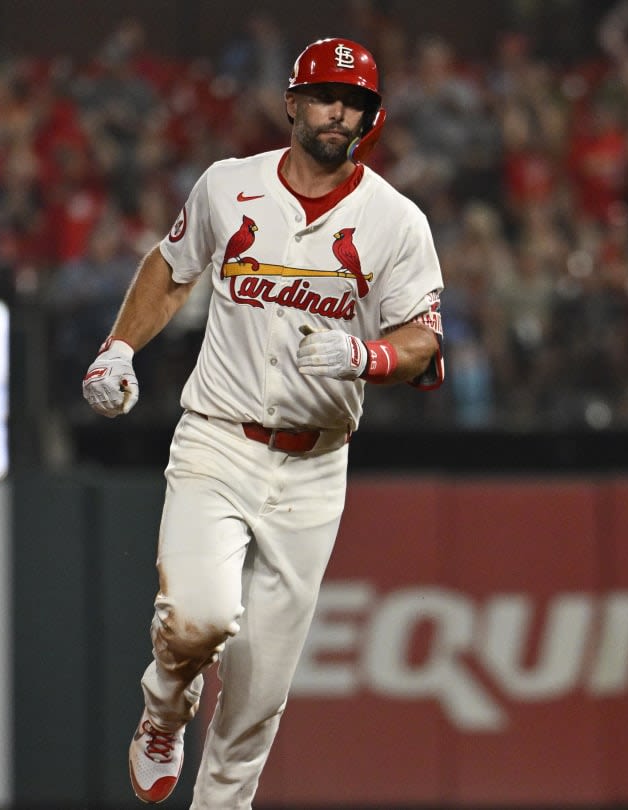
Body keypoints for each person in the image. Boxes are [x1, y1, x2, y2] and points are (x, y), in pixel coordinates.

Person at [80, 37, 445, 808]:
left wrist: (367, 354)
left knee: (256, 698)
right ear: (292, 101)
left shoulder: (395, 220)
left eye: (353, 102)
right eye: (322, 95)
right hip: (219, 434)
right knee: (198, 619)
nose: (337, 112)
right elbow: (172, 267)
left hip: (315, 466)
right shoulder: (228, 186)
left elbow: (424, 341)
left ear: (369, 118)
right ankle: (163, 709)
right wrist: (118, 348)